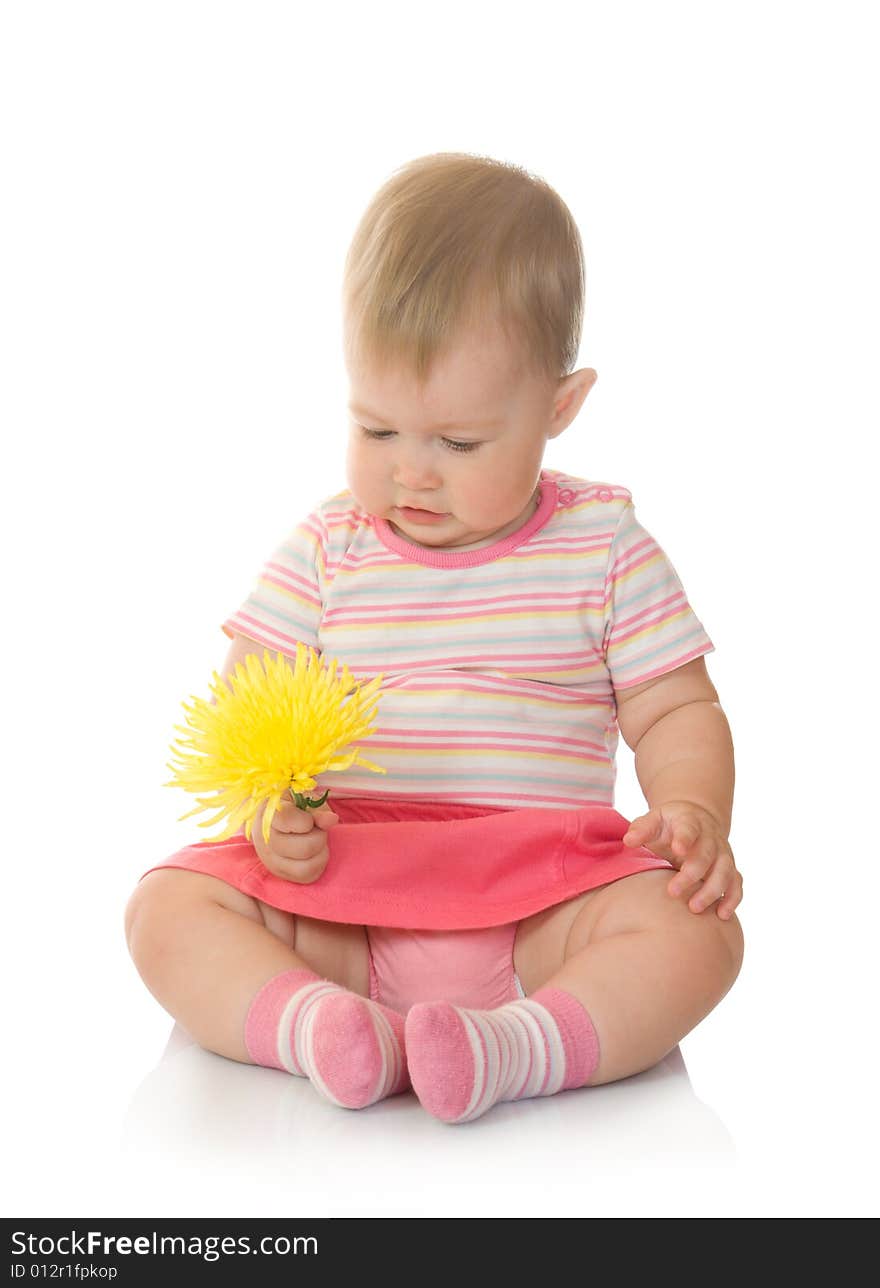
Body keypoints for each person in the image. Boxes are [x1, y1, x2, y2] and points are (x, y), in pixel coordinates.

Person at [125, 152, 744, 1124]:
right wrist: (267, 816)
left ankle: (516, 1045)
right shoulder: (326, 549)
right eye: (376, 431)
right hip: (353, 895)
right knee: (165, 908)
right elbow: (245, 710)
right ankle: (324, 1024)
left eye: (457, 443)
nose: (411, 474)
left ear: (557, 406)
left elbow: (675, 706)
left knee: (698, 934)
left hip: (547, 900)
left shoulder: (606, 547)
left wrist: (693, 812)